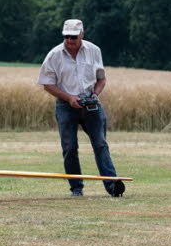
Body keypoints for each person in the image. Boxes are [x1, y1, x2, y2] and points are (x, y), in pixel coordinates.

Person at [37, 19, 125, 197]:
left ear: (82, 34)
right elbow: (47, 84)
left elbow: (101, 79)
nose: (69, 40)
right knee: (69, 147)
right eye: (66, 36)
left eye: (74, 37)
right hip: (65, 105)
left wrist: (95, 95)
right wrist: (69, 98)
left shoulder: (94, 51)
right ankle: (76, 188)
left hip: (91, 104)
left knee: (100, 144)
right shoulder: (54, 55)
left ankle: (112, 186)